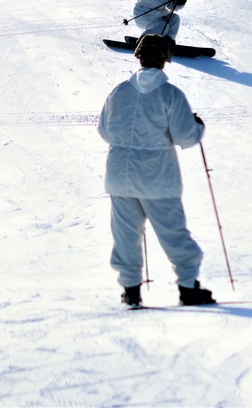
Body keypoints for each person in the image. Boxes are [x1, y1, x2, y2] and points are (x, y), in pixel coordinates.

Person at [97, 34, 215, 308]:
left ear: (138, 56)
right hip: (156, 177)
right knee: (173, 233)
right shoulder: (170, 94)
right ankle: (188, 287)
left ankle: (131, 290)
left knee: (126, 234)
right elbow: (186, 136)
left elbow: (104, 131)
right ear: (165, 59)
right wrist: (197, 125)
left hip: (119, 174)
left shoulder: (119, 91)